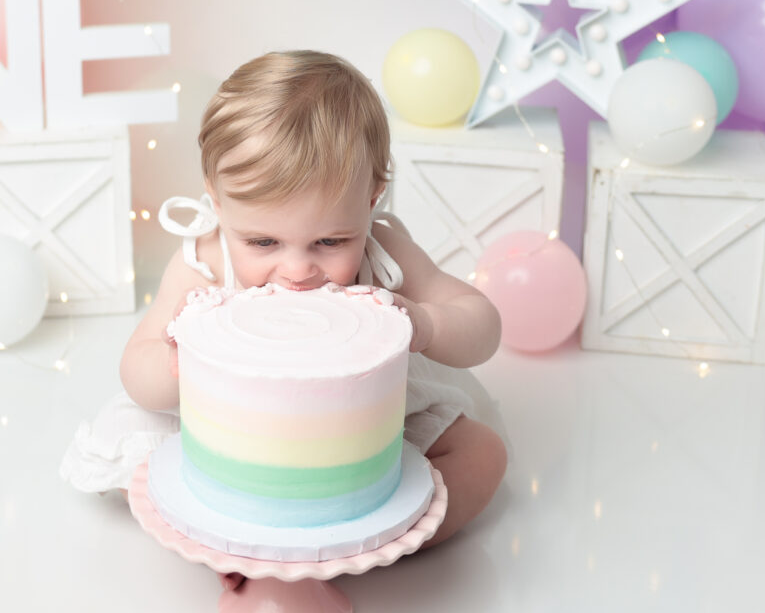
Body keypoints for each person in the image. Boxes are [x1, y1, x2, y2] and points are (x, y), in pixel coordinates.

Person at [61, 50, 508, 566]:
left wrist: (426, 324)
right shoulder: (204, 260)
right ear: (217, 200)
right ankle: (224, 542)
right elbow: (135, 362)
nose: (297, 270)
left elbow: (481, 320)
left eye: (330, 241)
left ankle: (374, 550)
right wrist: (174, 362)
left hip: (363, 432)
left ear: (371, 199)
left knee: (482, 455)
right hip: (229, 432)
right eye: (264, 243)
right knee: (132, 450)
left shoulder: (384, 250)